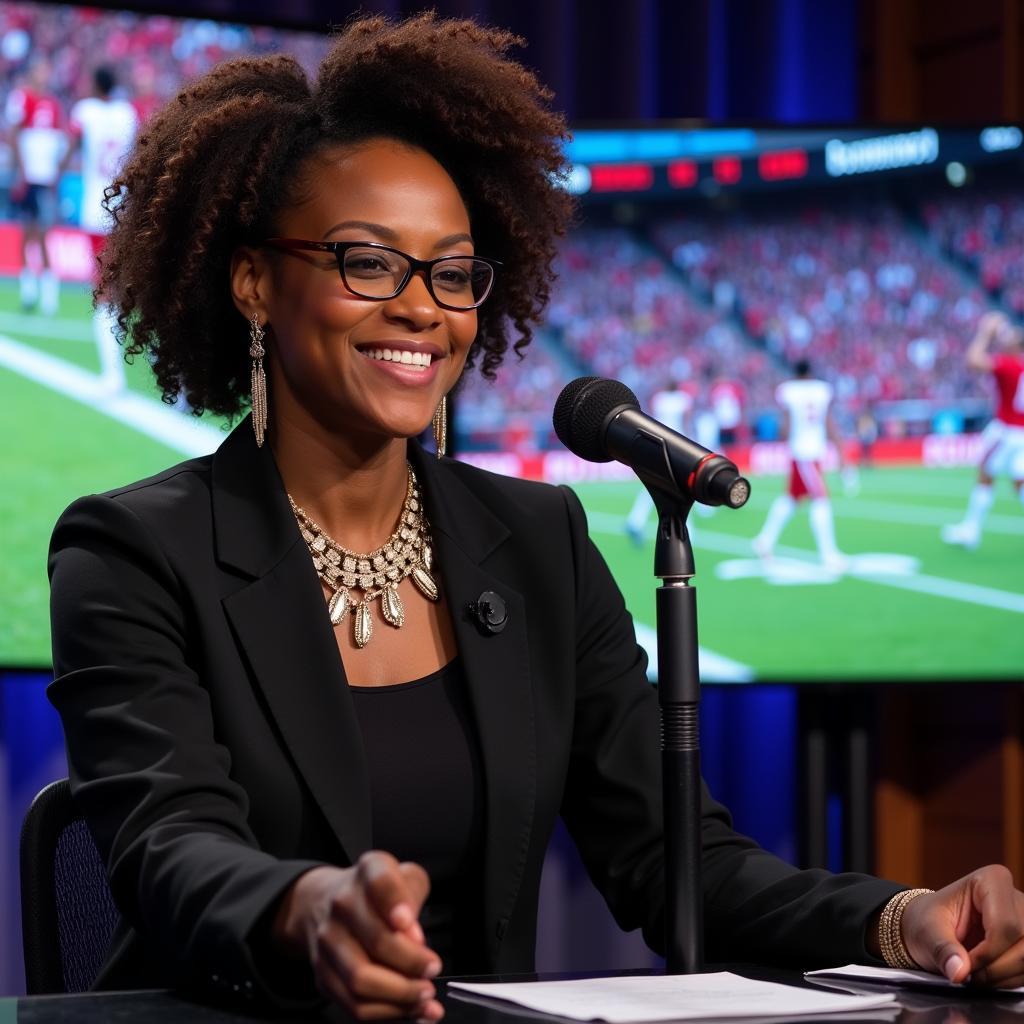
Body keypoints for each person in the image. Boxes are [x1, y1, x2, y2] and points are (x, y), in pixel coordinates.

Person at [47, 14, 1024, 1021]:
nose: (424, 306)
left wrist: (900, 919)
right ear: (255, 281)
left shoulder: (540, 544)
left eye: (453, 270)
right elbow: (170, 847)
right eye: (368, 261)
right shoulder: (130, 550)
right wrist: (310, 908)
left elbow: (675, 859)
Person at [60, 65, 138, 392]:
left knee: (104, 292)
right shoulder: (127, 114)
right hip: (123, 208)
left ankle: (112, 376)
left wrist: (58, 174)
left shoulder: (86, 111)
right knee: (122, 289)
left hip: (96, 209)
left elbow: (72, 144)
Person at [752, 359, 848, 571]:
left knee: (792, 498)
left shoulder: (789, 391)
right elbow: (828, 422)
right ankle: (828, 554)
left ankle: (764, 541)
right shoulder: (822, 390)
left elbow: (785, 428)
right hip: (809, 453)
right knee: (820, 500)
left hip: (800, 451)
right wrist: (840, 450)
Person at [942, 311, 1024, 550]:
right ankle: (970, 528)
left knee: (985, 474)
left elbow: (973, 360)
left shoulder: (1010, 364)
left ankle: (971, 529)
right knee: (1020, 481)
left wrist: (985, 332)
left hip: (1006, 431)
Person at [5, 57, 65, 315]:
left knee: (44, 233)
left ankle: (49, 293)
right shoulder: (23, 97)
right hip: (28, 176)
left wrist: (55, 173)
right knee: (26, 231)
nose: (44, 75)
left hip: (45, 177)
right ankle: (29, 290)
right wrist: (20, 170)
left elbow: (58, 139)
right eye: (40, 69)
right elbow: (14, 133)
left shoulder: (52, 103)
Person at [625, 379, 694, 545]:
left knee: (660, 484)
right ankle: (684, 528)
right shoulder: (682, 399)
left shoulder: (660, 398)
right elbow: (687, 420)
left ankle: (635, 520)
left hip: (657, 443)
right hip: (675, 445)